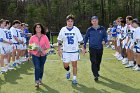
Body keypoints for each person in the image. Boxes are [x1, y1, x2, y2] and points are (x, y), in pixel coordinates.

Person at [57, 14, 83, 84]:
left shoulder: (76, 29)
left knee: (74, 65)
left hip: (74, 51)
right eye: (69, 21)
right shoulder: (63, 29)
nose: (70, 22)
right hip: (66, 51)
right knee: (65, 65)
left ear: (73, 22)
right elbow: (59, 40)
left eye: (71, 21)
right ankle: (68, 71)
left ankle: (74, 78)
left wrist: (83, 48)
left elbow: (80, 40)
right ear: (66, 22)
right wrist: (59, 49)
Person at [83, 16, 107, 81]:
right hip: (92, 48)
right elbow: (85, 38)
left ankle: (97, 70)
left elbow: (105, 36)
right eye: (93, 21)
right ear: (91, 22)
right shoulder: (89, 29)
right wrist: (84, 46)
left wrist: (105, 40)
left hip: (100, 48)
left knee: (98, 61)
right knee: (93, 61)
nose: (94, 22)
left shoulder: (102, 28)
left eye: (95, 20)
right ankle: (95, 75)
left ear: (98, 21)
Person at [29, 23, 50, 88]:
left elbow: (48, 46)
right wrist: (35, 50)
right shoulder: (32, 37)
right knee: (37, 67)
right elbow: (30, 47)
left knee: (41, 67)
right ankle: (37, 81)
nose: (38, 28)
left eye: (39, 27)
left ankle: (40, 79)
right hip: (35, 55)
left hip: (43, 55)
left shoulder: (45, 36)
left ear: (41, 29)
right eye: (37, 27)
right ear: (35, 29)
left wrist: (42, 49)